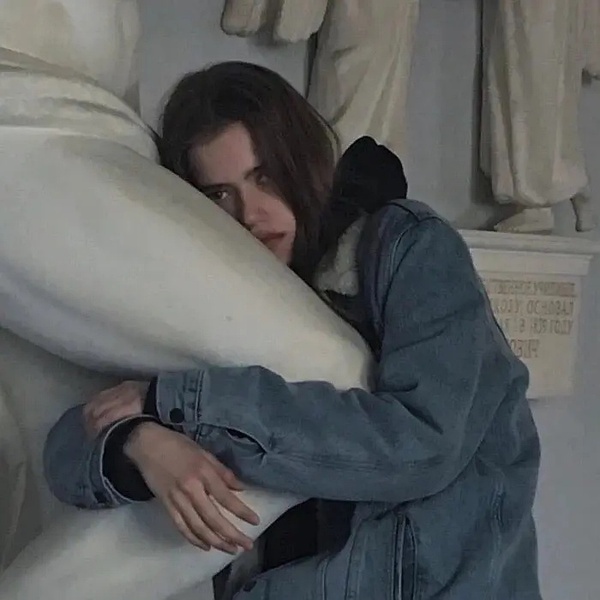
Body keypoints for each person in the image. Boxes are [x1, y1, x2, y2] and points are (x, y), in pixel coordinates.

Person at [43, 62, 542, 599]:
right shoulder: (211, 299)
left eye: (265, 178)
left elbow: (421, 445)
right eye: (219, 195)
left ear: (301, 160)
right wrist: (140, 441)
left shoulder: (408, 251)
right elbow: (70, 443)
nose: (249, 214)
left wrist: (185, 406)